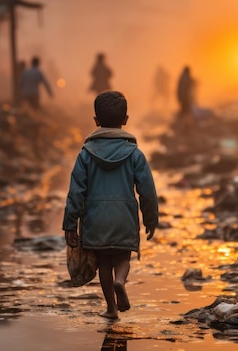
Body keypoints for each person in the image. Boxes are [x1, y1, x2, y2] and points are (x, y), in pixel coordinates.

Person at [63, 91, 159, 319]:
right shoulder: (135, 154)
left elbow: (76, 192)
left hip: (96, 220)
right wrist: (150, 218)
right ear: (125, 119)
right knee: (122, 257)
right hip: (124, 218)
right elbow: (147, 190)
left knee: (104, 262)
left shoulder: (85, 155)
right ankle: (120, 281)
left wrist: (70, 224)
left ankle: (111, 308)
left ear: (96, 121)